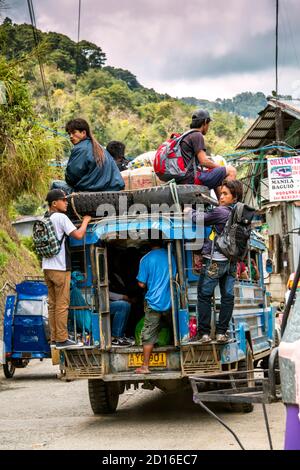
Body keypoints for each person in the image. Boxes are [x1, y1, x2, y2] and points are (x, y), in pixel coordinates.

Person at [188, 179, 244, 344]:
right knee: (227, 297)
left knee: (204, 295)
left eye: (225, 194)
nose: (221, 196)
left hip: (215, 261)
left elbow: (199, 218)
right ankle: (221, 333)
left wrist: (187, 211)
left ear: (234, 197)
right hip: (232, 262)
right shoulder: (239, 213)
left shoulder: (221, 211)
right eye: (221, 193)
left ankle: (204, 334)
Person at [42, 189, 91, 349]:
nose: (66, 202)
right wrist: (85, 221)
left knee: (53, 304)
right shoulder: (61, 217)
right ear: (54, 203)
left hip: (47, 268)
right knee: (63, 304)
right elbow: (78, 235)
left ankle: (55, 338)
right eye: (63, 200)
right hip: (60, 268)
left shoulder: (44, 218)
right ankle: (63, 340)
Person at [135, 239, 176, 374]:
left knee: (149, 333)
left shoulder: (145, 259)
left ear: (149, 243)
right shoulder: (171, 255)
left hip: (153, 302)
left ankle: (145, 366)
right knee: (175, 328)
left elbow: (141, 284)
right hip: (171, 300)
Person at [53, 118, 125, 193]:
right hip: (112, 190)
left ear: (83, 133)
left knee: (54, 184)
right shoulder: (101, 149)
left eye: (74, 132)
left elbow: (71, 178)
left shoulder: (80, 148)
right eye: (69, 134)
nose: (71, 136)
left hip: (89, 191)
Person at [180, 109, 236, 198]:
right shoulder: (197, 135)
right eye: (208, 124)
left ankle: (221, 204)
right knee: (231, 170)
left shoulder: (185, 135)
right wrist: (222, 168)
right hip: (192, 179)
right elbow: (204, 161)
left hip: (184, 178)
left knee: (215, 175)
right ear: (205, 122)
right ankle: (227, 204)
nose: (208, 127)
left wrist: (217, 170)